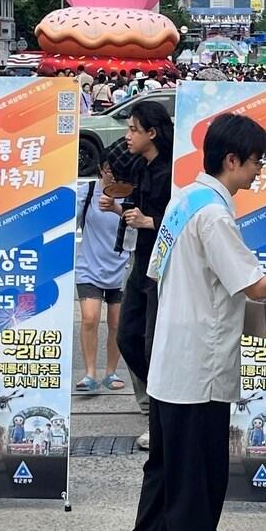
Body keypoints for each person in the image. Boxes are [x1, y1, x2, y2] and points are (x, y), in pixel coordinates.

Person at [116, 114, 266, 531]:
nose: (257, 174)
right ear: (232, 160)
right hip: (199, 368)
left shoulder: (185, 199)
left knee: (166, 469)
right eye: (255, 163)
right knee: (197, 479)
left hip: (171, 357)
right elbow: (253, 284)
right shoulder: (214, 215)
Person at [100, 101, 173, 448]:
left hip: (163, 267)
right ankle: (158, 405)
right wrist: (117, 208)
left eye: (133, 129)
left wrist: (151, 222)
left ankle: (160, 417)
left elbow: (184, 222)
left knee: (152, 342)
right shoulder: (142, 167)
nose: (127, 135)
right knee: (127, 337)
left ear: (152, 133)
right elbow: (111, 159)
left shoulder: (172, 172)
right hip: (140, 262)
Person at [75, 155, 131, 393]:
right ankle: (90, 373)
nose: (113, 176)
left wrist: (119, 209)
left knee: (117, 322)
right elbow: (70, 222)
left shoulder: (129, 193)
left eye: (117, 171)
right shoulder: (87, 191)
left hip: (120, 267)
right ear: (100, 170)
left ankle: (111, 371)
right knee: (89, 317)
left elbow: (136, 229)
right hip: (88, 265)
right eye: (109, 170)